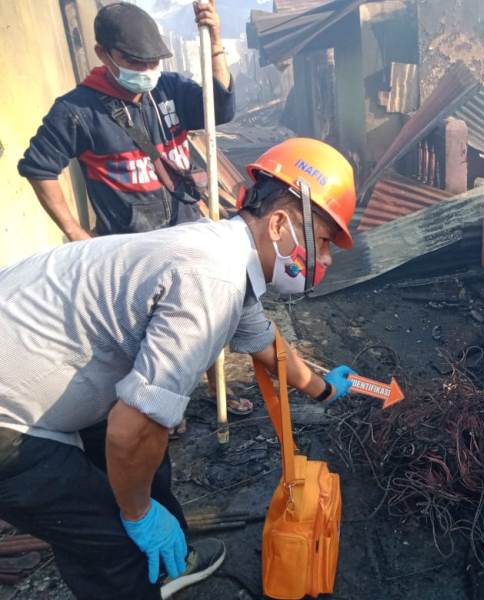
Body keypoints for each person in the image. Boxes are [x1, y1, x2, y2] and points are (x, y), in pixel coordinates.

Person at [0, 137, 359, 599]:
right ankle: (139, 560)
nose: (326, 260)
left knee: (149, 463)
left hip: (35, 368)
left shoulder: (220, 251)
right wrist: (137, 516)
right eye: (325, 242)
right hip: (10, 421)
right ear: (281, 225)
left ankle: (170, 561)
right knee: (112, 547)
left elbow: (265, 342)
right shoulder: (211, 282)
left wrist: (323, 389)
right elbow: (130, 429)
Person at [16, 1, 250, 417]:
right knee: (148, 339)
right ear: (103, 54)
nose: (147, 69)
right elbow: (38, 167)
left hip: (186, 229)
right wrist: (74, 231)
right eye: (135, 60)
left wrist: (215, 40)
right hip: (130, 245)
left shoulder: (169, 90)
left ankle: (217, 392)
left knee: (205, 322)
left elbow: (221, 108)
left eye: (153, 60)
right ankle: (151, 413)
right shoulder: (77, 110)